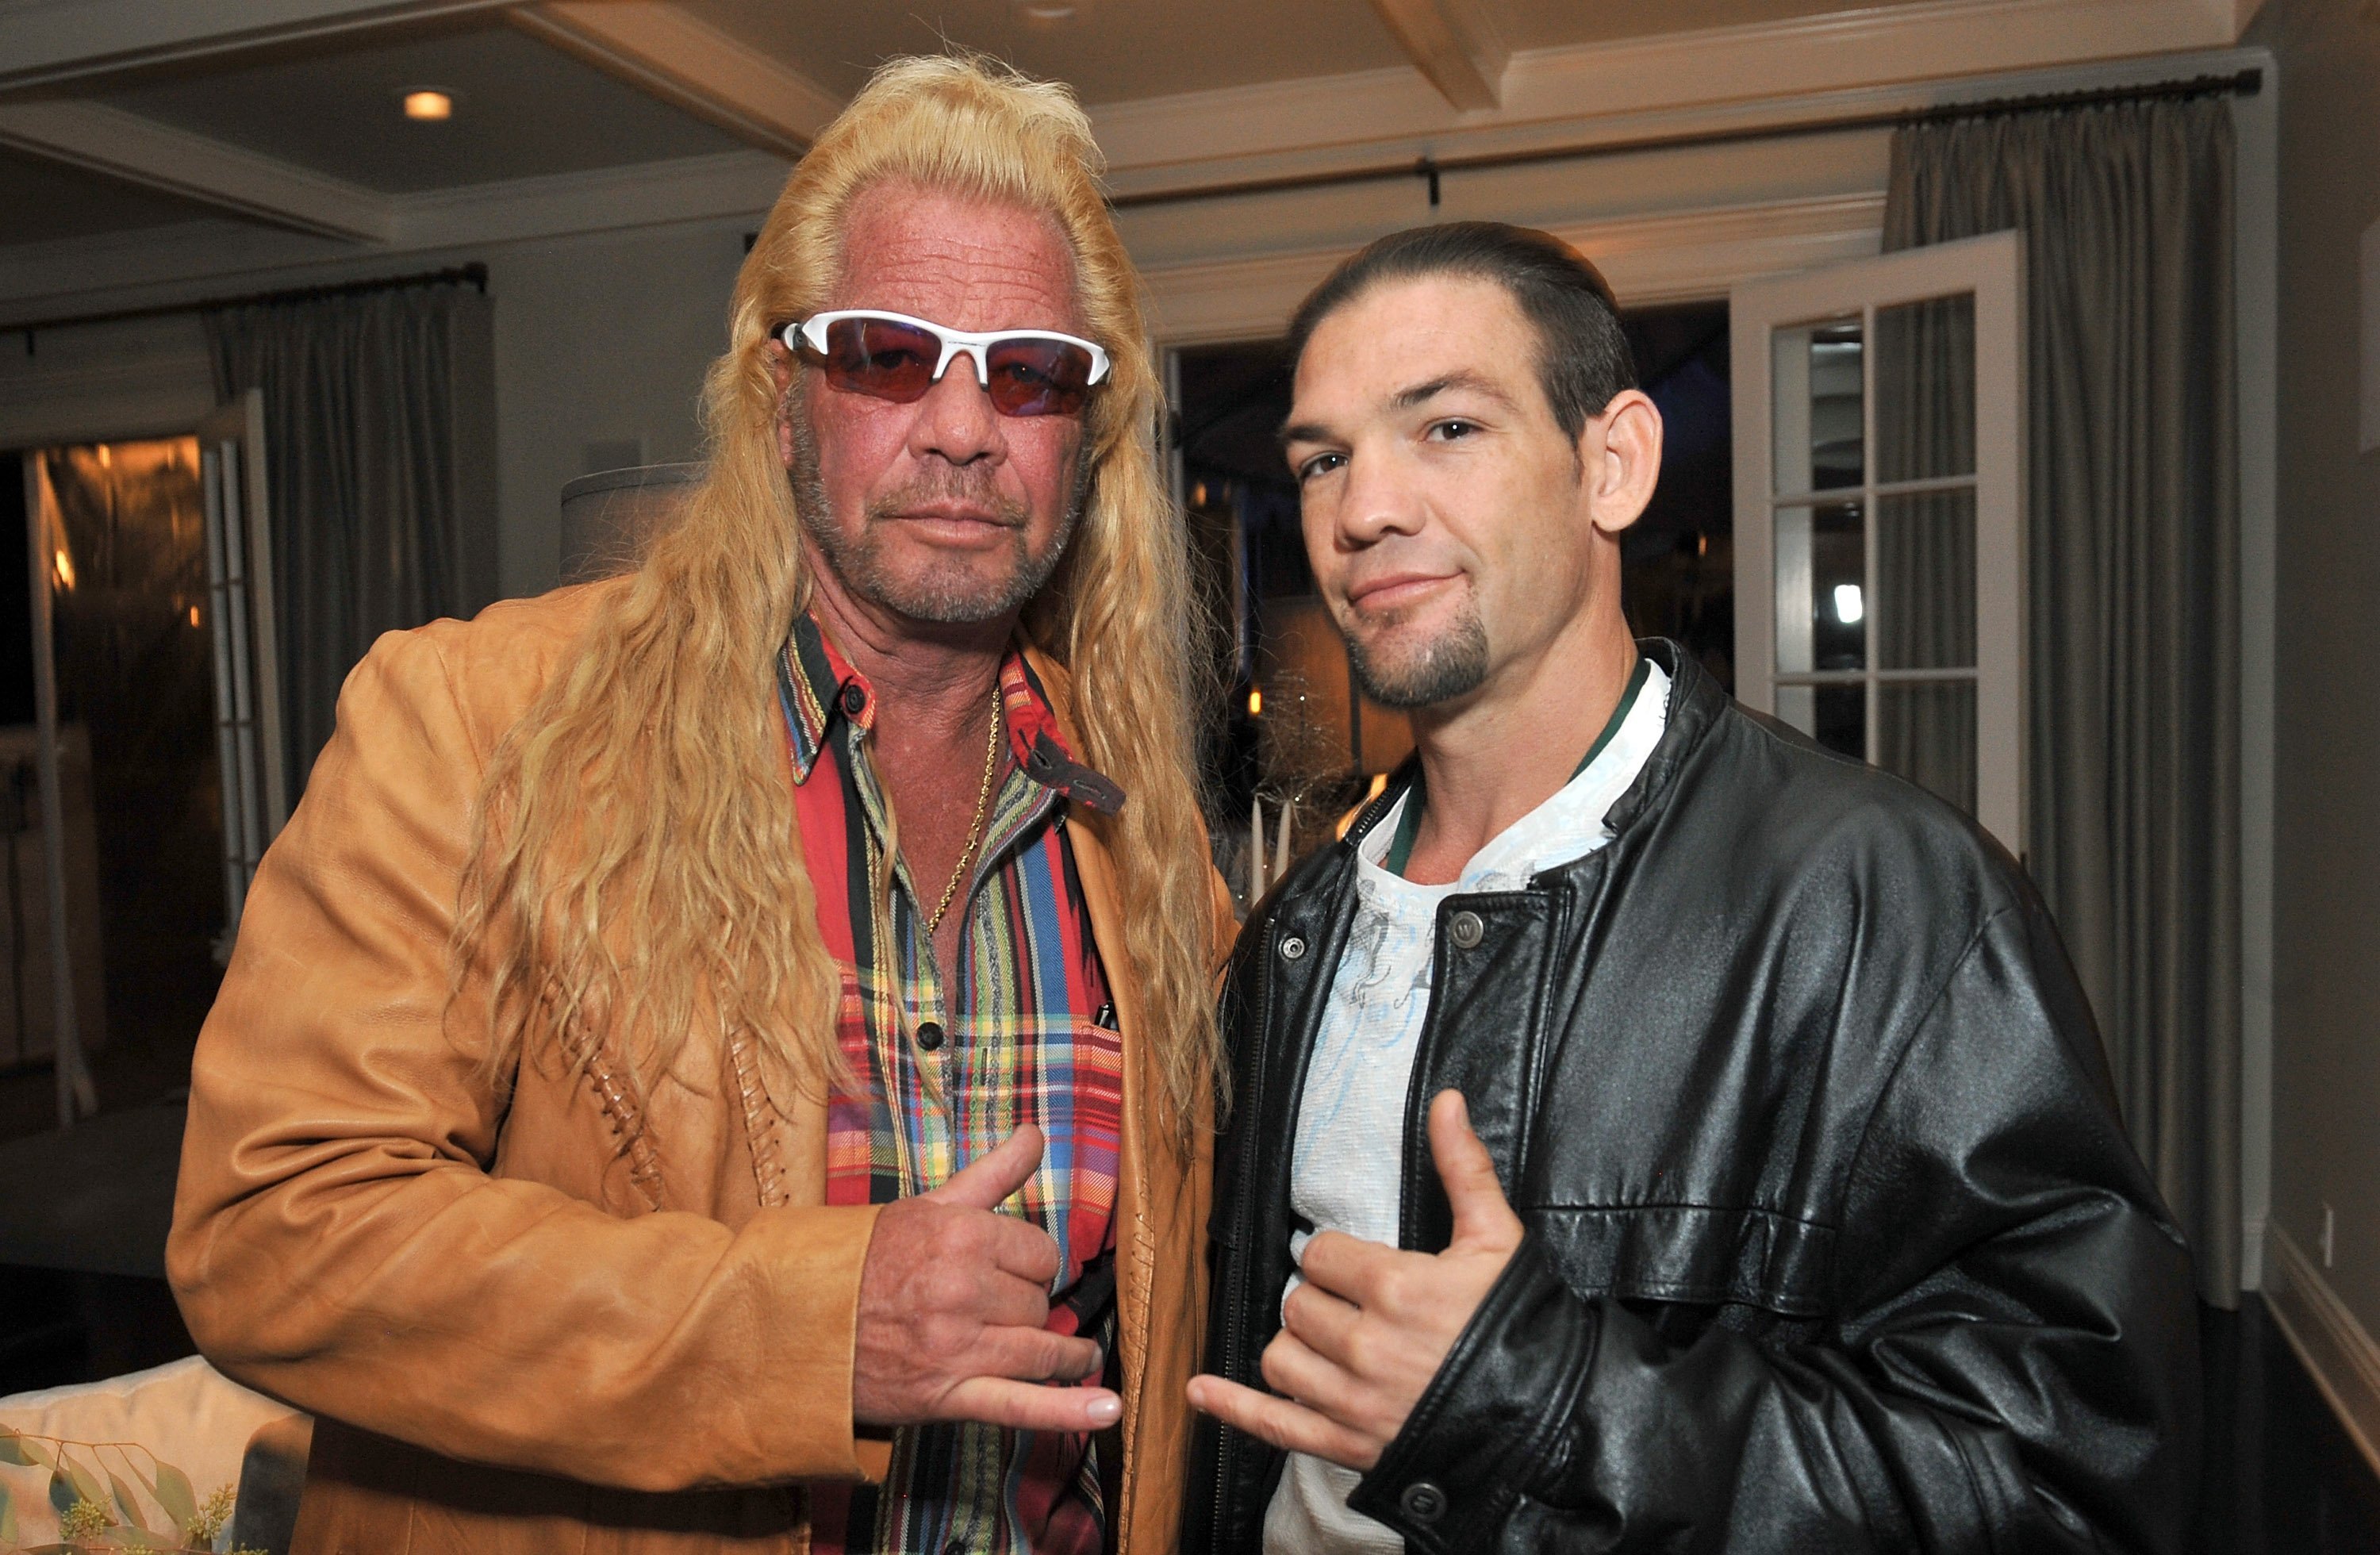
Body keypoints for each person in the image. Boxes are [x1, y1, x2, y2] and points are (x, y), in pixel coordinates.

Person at [169, 56, 1228, 1555]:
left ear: (1086, 435)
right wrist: (803, 1334)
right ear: (782, 395)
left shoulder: (1143, 842)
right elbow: (272, 1232)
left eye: (1029, 370)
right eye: (884, 353)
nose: (962, 424)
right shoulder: (481, 731)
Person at [1182, 222, 2199, 1553]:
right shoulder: (1300, 930)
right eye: (1323, 457)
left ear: (1613, 464)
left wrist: (1535, 1400)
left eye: (1445, 430)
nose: (1363, 508)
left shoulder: (1886, 905)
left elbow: (2070, 1482)